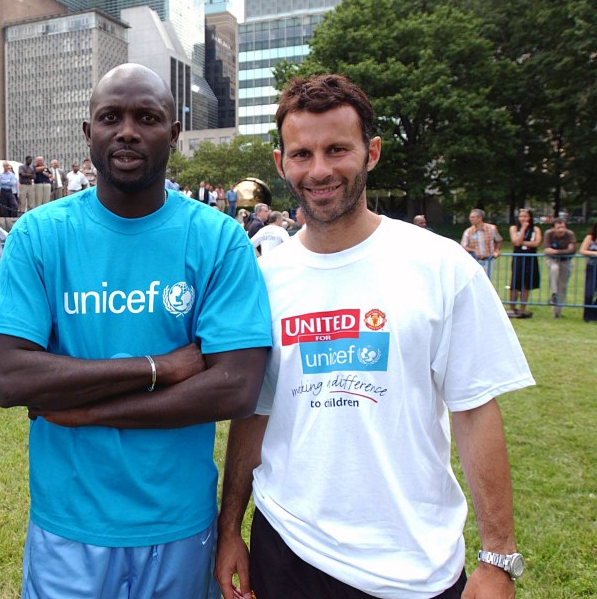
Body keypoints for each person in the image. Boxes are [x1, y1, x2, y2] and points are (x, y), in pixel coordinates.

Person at [215, 73, 534, 599]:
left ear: (372, 152)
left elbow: (476, 411)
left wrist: (497, 557)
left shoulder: (440, 265)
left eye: (337, 149)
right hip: (288, 549)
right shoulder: (264, 280)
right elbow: (254, 415)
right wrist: (230, 530)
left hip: (414, 564)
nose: (319, 170)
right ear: (281, 164)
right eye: (302, 154)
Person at [0, 63, 272, 599]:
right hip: (68, 527)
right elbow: (10, 378)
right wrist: (159, 368)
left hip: (180, 525)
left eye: (148, 117)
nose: (128, 130)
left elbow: (236, 386)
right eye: (111, 117)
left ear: (174, 135)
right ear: (88, 133)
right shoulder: (39, 235)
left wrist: (89, 411)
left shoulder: (218, 239)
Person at [508, 208, 541, 318]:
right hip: (518, 258)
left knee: (525, 284)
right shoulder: (514, 228)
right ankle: (512, 308)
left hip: (530, 258)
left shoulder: (535, 229)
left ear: (530, 217)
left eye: (525, 216)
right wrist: (523, 229)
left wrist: (522, 241)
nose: (523, 218)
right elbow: (516, 242)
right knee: (515, 283)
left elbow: (536, 243)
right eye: (521, 216)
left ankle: (523, 308)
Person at [542, 217, 577, 318]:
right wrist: (559, 253)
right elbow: (546, 249)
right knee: (554, 269)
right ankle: (553, 293)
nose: (561, 230)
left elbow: (572, 250)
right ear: (553, 228)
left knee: (562, 286)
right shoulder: (548, 234)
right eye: (558, 228)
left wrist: (556, 252)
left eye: (563, 227)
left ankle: (557, 312)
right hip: (551, 260)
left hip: (566, 261)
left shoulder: (570, 234)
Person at [460, 208, 502, 279]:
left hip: (489, 260)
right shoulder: (468, 231)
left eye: (473, 217)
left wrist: (496, 250)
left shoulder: (492, 229)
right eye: (470, 217)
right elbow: (464, 246)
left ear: (480, 218)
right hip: (474, 261)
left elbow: (499, 240)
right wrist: (474, 250)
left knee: (488, 280)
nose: (470, 219)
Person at [581, 221, 597, 323]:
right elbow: (582, 251)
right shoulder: (590, 238)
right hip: (592, 267)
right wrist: (595, 253)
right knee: (589, 292)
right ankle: (587, 315)